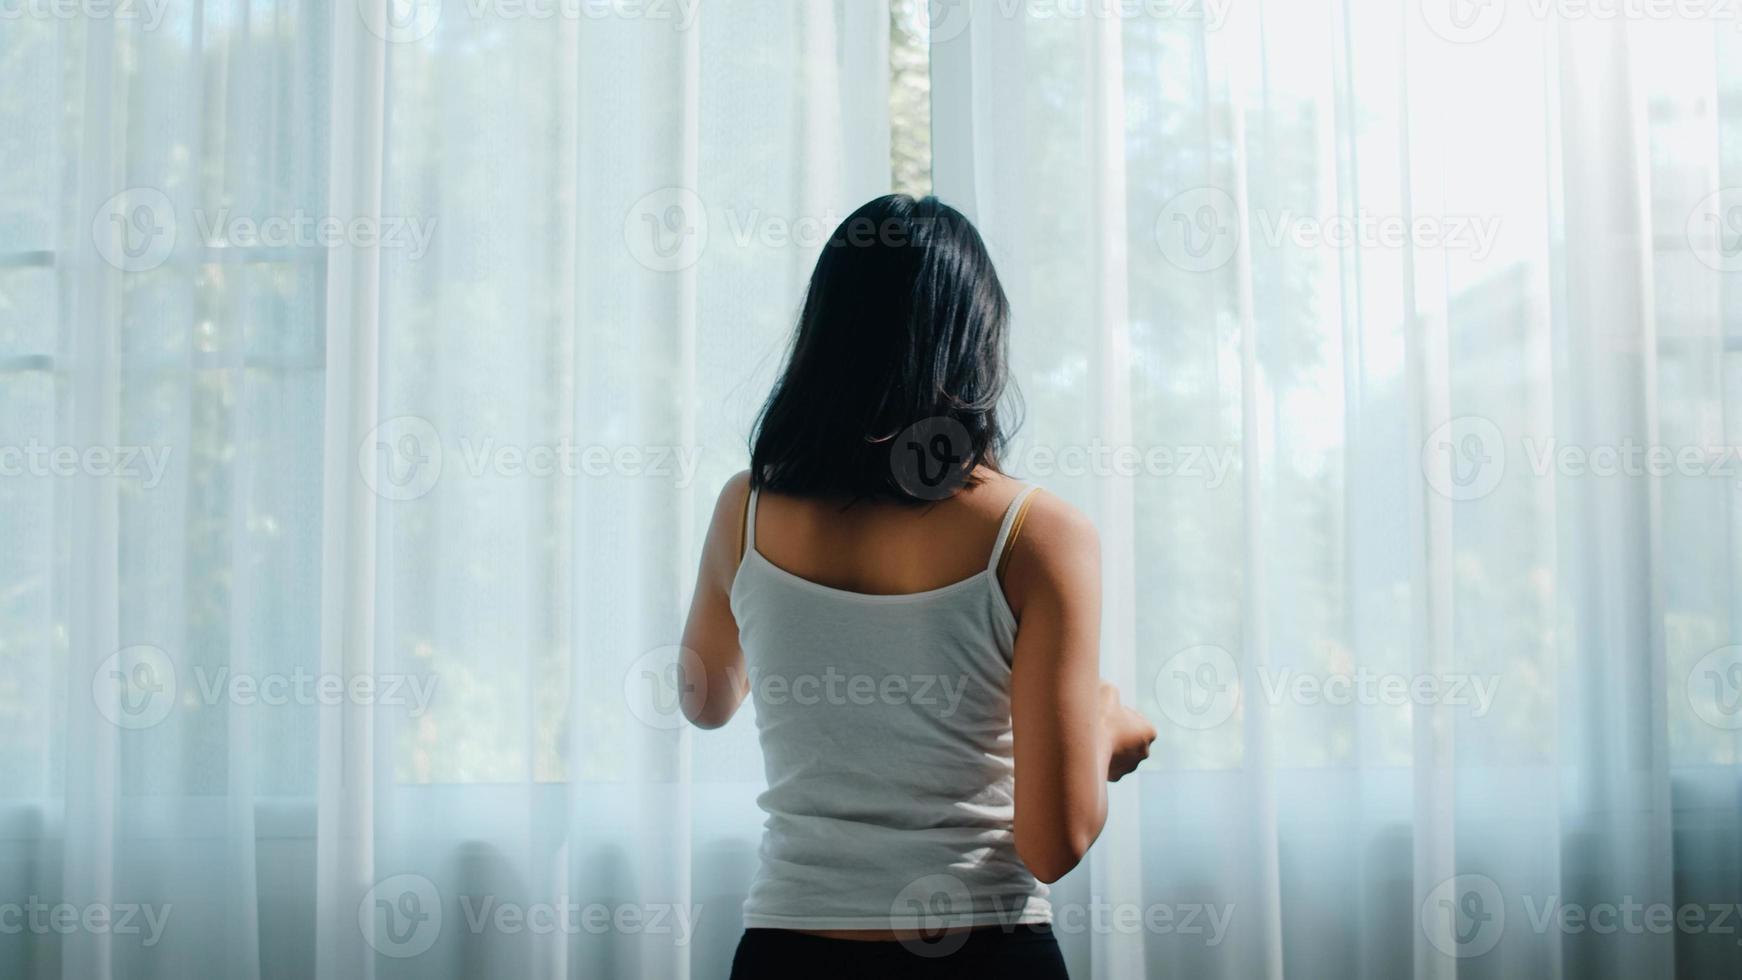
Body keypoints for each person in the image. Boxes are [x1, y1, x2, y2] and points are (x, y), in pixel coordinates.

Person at [678, 194, 1157, 979]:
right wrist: (1105, 730)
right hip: (982, 950)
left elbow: (705, 699)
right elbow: (1055, 842)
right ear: (975, 346)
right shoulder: (1039, 534)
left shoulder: (746, 508)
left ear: (824, 341)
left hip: (790, 952)